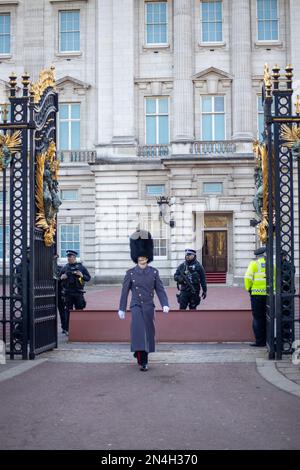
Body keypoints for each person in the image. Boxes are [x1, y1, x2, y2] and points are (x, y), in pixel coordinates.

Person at [117, 230, 169, 371]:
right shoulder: (130, 273)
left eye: (144, 257)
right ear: (136, 258)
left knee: (148, 332)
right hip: (136, 305)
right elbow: (124, 291)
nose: (142, 259)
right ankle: (143, 361)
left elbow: (160, 290)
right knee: (139, 331)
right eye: (139, 257)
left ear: (148, 257)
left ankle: (139, 352)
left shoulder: (154, 272)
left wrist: (165, 304)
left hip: (149, 306)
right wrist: (121, 308)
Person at [60, 250, 91, 334]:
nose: (69, 259)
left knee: (79, 310)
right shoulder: (65, 267)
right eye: (68, 257)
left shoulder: (81, 267)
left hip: (78, 292)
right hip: (68, 292)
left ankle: (79, 328)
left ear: (74, 257)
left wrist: (82, 275)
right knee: (68, 311)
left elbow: (88, 278)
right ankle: (67, 329)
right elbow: (59, 279)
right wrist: (62, 277)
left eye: (70, 257)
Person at [244, 246, 267, 347]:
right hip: (271, 295)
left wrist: (249, 289)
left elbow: (247, 278)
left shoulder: (254, 263)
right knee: (271, 317)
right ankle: (271, 340)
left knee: (258, 318)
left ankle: (260, 341)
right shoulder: (273, 263)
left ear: (257, 255)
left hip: (257, 295)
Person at [53, 254, 67, 334]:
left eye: (56, 259)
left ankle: (64, 327)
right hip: (47, 293)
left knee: (62, 311)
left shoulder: (61, 269)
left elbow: (64, 282)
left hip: (59, 293)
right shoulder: (44, 269)